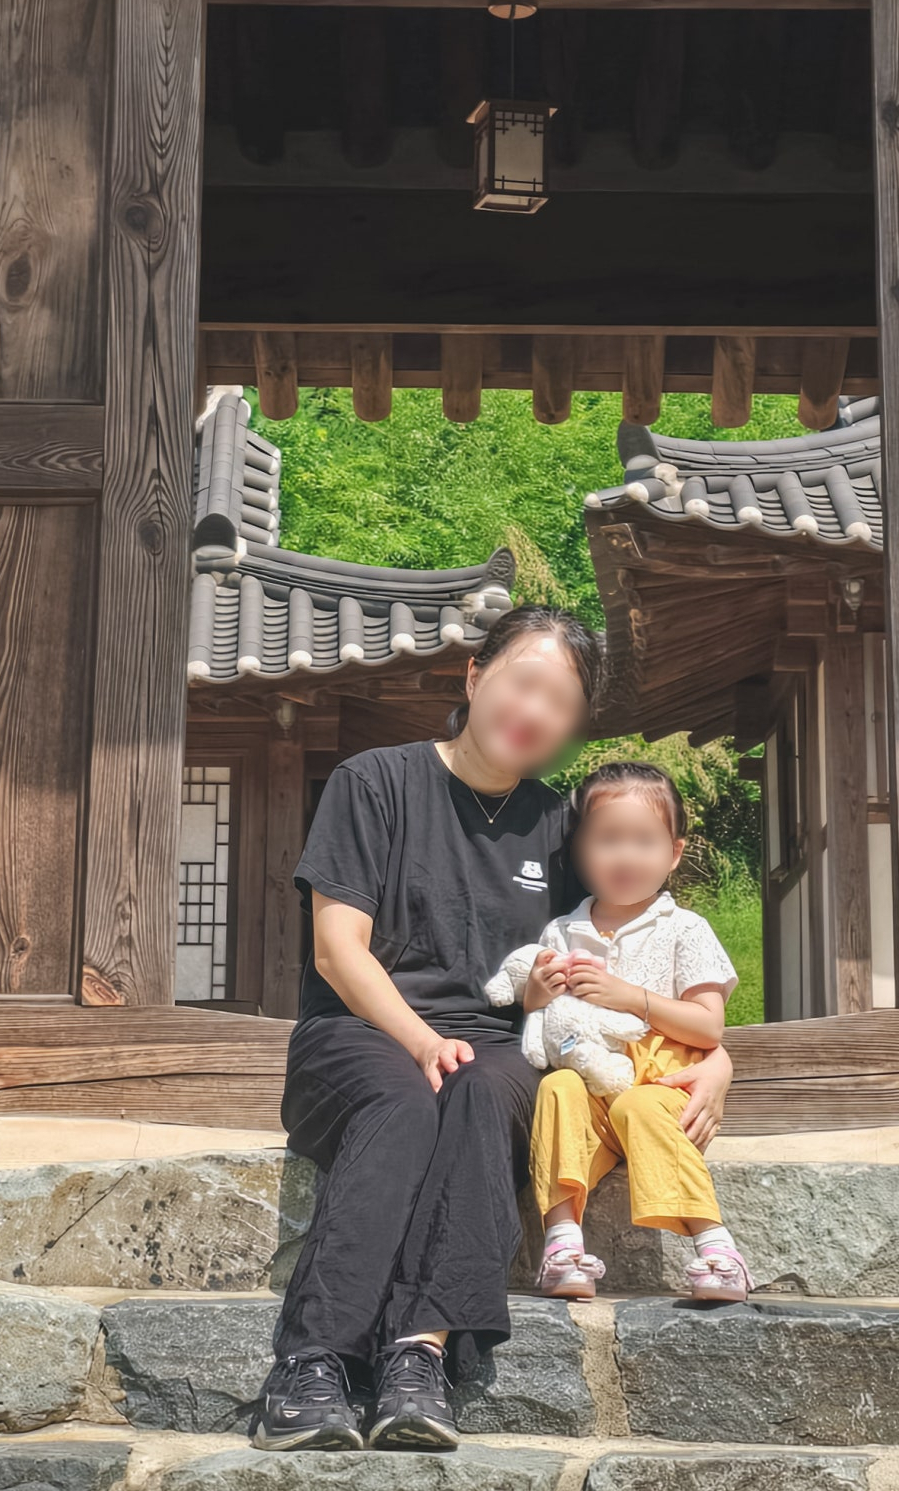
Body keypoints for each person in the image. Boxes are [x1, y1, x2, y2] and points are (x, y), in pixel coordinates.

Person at [251, 605, 736, 1454]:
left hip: (502, 1046)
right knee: (404, 1103)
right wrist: (416, 1039)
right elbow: (337, 952)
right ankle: (313, 1362)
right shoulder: (376, 783)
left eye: (560, 703)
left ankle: (418, 1354)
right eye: (524, 683)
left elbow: (638, 945)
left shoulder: (560, 829)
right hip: (359, 1033)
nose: (535, 711)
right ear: (475, 677)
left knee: (483, 1094)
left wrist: (717, 1057)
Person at [525, 759, 751, 1302]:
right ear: (580, 853)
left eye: (645, 842)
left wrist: (631, 998)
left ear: (673, 853)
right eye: (607, 840)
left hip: (662, 1086)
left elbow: (708, 1026)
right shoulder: (564, 928)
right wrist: (537, 985)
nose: (626, 856)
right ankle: (562, 1245)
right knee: (557, 1088)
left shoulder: (684, 929)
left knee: (642, 1108)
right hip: (591, 1087)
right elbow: (538, 1016)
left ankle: (719, 1250)